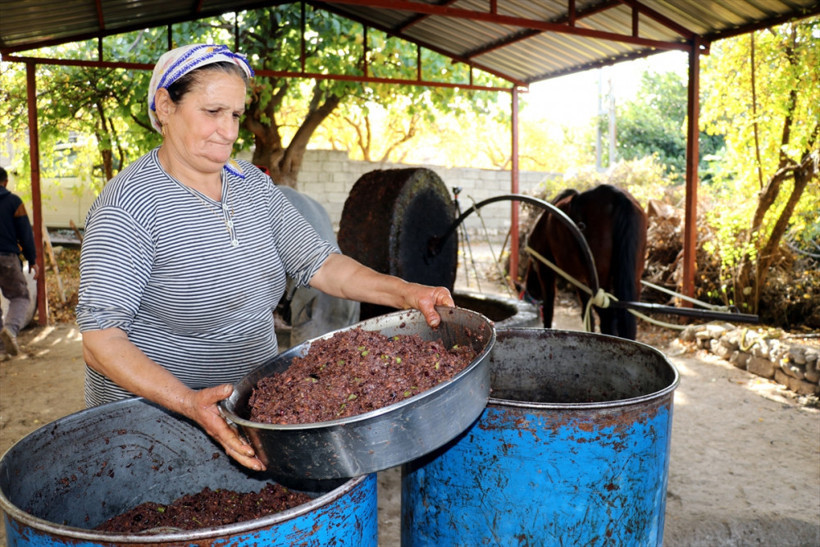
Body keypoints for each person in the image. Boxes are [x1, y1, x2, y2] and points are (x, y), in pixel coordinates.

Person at [76, 44, 454, 472]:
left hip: (252, 408)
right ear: (165, 106)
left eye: (235, 115)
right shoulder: (130, 206)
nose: (229, 131)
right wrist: (188, 401)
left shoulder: (251, 186)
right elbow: (101, 341)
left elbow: (323, 264)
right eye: (213, 111)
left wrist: (406, 292)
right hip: (152, 425)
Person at [275, 185, 360, 346]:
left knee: (309, 364)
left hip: (318, 295)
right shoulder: (307, 202)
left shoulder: (267, 201)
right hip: (348, 291)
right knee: (344, 356)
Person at [0, 166, 39, 358]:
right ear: (5, 182)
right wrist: (32, 260)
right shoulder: (14, 202)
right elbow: (25, 234)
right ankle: (11, 330)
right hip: (7, 257)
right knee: (21, 296)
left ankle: (0, 349)